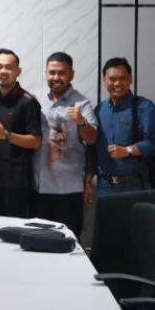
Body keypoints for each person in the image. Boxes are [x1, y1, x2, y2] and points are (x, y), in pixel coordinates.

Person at [30, 52, 97, 237]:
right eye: (52, 72)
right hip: (38, 189)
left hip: (68, 190)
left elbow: (92, 138)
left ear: (71, 74)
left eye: (62, 73)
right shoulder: (35, 98)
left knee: (68, 241)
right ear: (46, 73)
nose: (56, 77)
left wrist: (82, 122)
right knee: (38, 242)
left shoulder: (81, 103)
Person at [86, 57, 155, 196]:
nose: (117, 83)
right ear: (104, 80)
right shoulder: (99, 110)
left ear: (130, 79)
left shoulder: (144, 107)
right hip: (104, 187)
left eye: (122, 78)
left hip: (135, 186)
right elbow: (92, 149)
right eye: (112, 79)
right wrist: (87, 182)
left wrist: (127, 150)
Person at [0, 48, 42, 217]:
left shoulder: (28, 102)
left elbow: (36, 141)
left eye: (8, 67)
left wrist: (7, 135)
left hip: (17, 183)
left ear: (18, 71)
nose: (3, 71)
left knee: (14, 228)